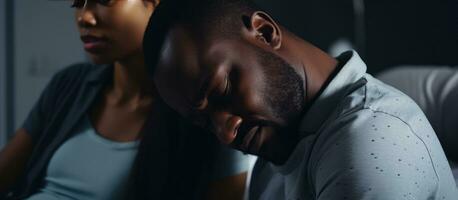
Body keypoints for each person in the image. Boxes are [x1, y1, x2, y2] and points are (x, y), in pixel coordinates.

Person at [143, 0, 458, 199]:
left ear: (265, 33)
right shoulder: (283, 146)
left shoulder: (368, 144)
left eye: (222, 90)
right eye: (204, 122)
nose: (225, 134)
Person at [0, 0, 253, 199]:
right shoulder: (69, 84)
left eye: (104, 0)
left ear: (155, 2)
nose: (84, 18)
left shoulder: (207, 111)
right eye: (78, 3)